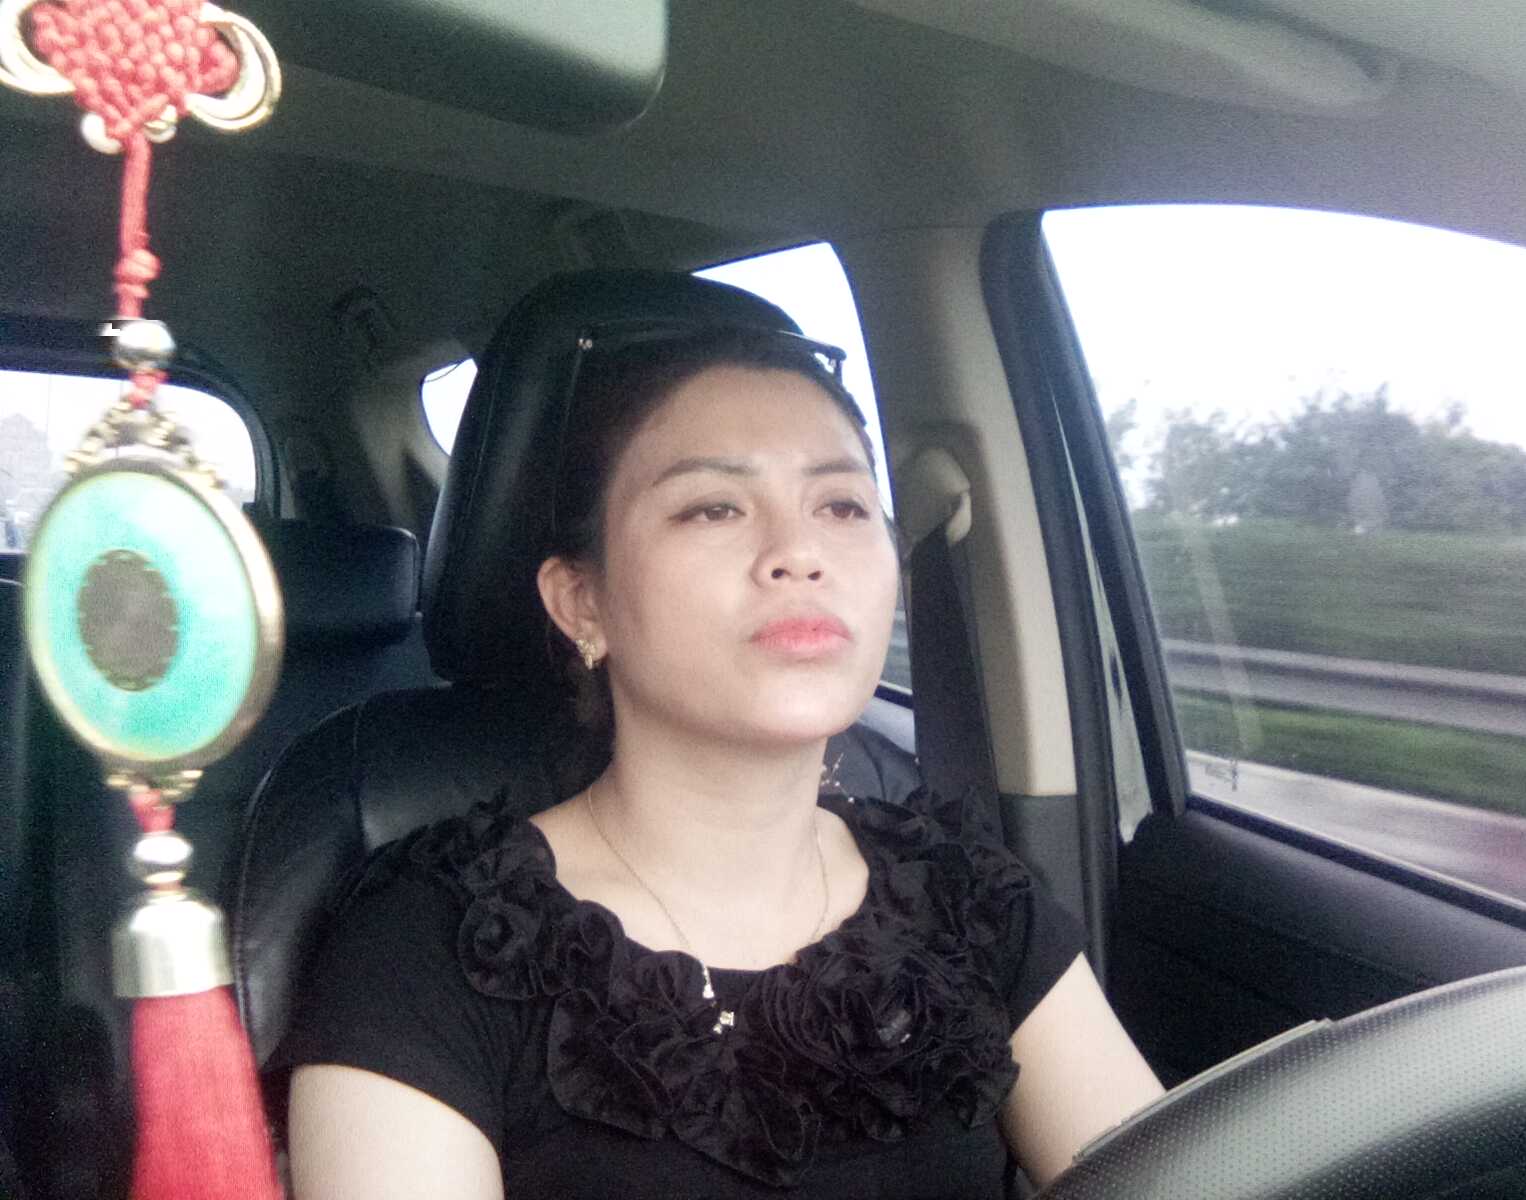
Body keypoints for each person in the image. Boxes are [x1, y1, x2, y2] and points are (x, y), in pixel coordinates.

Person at [282, 324, 1164, 1199]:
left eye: (842, 506)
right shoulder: (440, 948)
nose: (799, 554)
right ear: (582, 603)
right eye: (713, 507)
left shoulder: (968, 899)